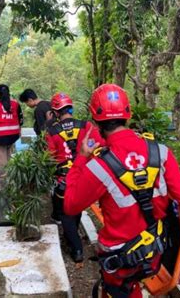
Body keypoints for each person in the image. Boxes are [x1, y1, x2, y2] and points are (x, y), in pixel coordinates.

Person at [64, 84, 180, 298]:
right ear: (128, 115)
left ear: (96, 121)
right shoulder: (160, 153)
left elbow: (70, 205)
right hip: (153, 251)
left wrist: (81, 157)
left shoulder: (99, 166)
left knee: (120, 290)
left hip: (120, 259)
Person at [45, 92, 104, 263]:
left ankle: (76, 248)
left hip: (64, 179)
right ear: (70, 108)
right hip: (85, 177)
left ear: (55, 112)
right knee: (76, 208)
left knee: (65, 213)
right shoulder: (86, 126)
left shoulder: (51, 131)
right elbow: (98, 146)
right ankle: (74, 235)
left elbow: (49, 156)